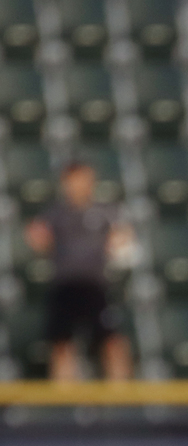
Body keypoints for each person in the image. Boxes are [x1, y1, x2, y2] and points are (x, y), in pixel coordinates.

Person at [25, 161, 135, 380]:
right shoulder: (55, 213)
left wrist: (120, 241)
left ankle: (122, 400)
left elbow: (124, 238)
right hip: (64, 285)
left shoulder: (105, 211)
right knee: (62, 344)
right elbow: (37, 238)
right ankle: (63, 401)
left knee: (112, 342)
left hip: (96, 285)